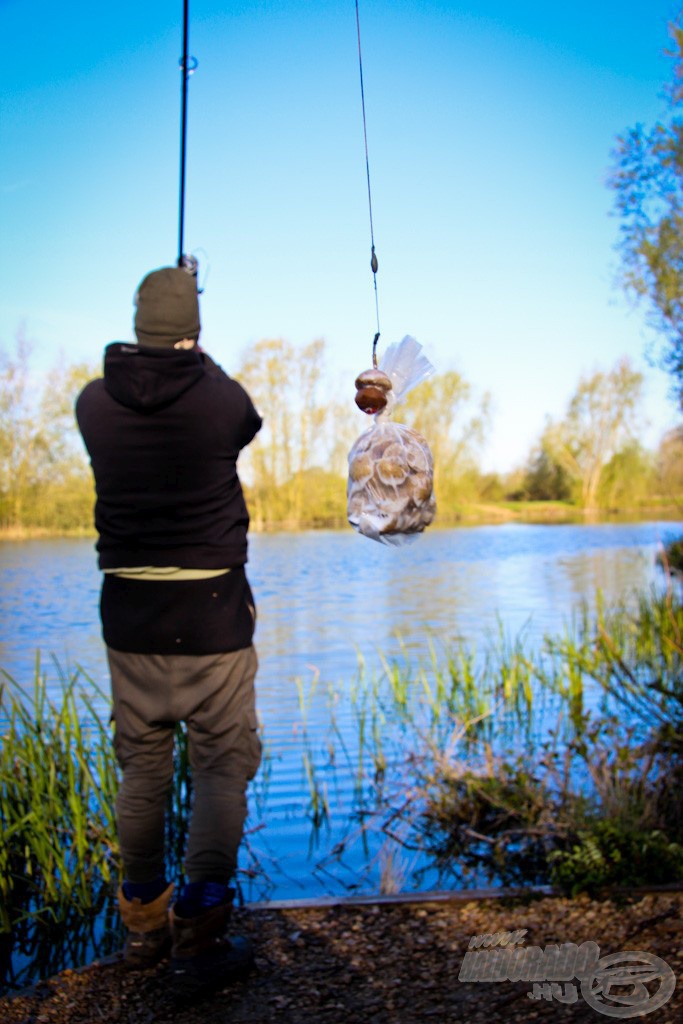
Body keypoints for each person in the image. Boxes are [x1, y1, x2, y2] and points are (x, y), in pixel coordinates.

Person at [75, 265, 263, 993]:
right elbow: (241, 419)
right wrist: (196, 345)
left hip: (129, 612)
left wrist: (175, 334)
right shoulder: (221, 400)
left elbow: (156, 381)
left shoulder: (92, 403)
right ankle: (200, 938)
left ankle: (145, 932)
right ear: (192, 328)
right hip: (212, 612)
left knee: (142, 770)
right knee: (220, 765)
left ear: (134, 321)